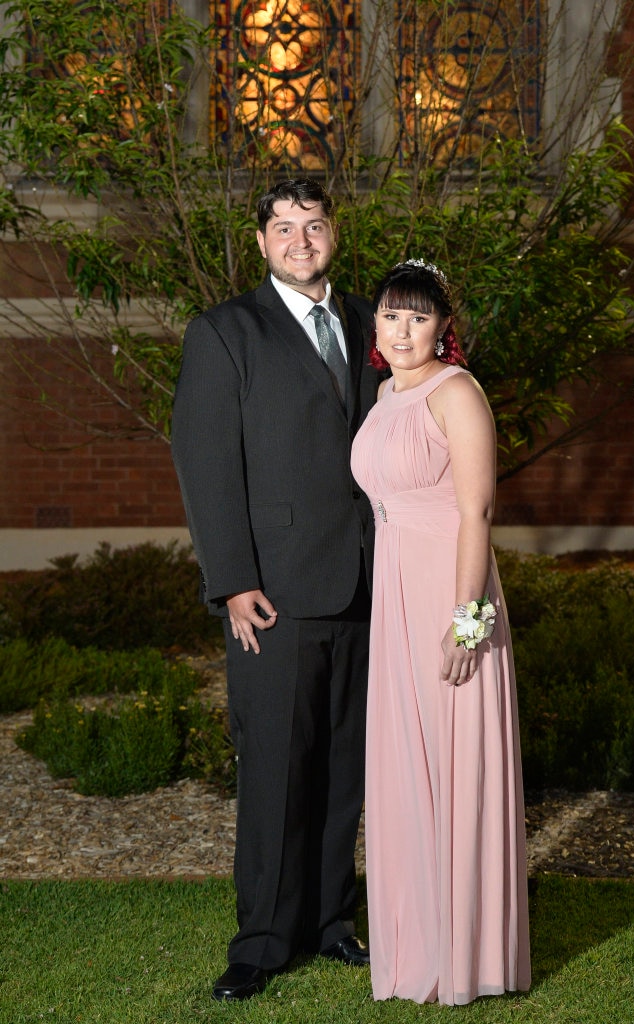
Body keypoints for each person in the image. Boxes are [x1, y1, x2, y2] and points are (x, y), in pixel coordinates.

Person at [171, 178, 379, 1001]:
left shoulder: (371, 323)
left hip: (370, 586)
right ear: (260, 242)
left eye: (314, 225)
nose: (301, 240)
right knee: (275, 774)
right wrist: (231, 583)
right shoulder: (226, 333)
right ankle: (260, 940)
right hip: (275, 594)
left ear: (334, 234)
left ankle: (331, 922)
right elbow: (206, 463)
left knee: (343, 770)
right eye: (284, 228)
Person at [350, 260, 531, 1005]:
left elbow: (477, 515)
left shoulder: (457, 393)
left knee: (455, 764)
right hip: (394, 597)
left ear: (443, 328)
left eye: (418, 318)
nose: (402, 330)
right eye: (391, 315)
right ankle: (415, 943)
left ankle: (470, 955)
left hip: (449, 595)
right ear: (377, 326)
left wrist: (468, 624)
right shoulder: (386, 394)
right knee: (404, 768)